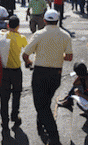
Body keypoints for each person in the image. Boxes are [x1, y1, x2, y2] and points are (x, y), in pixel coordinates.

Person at [22, 9, 73, 145]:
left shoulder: (39, 34)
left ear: (44, 21)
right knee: (45, 102)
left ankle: (54, 135)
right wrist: (58, 56)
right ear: (57, 21)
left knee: (41, 106)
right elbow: (68, 57)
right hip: (55, 74)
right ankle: (41, 124)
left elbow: (25, 55)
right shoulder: (65, 35)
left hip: (40, 73)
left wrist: (29, 63)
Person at [0, 16, 28, 139]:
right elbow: (26, 48)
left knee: (4, 98)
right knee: (16, 94)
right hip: (16, 70)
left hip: (3, 71)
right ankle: (15, 116)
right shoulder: (21, 38)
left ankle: (4, 121)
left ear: (8, 25)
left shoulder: (2, 35)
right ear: (18, 26)